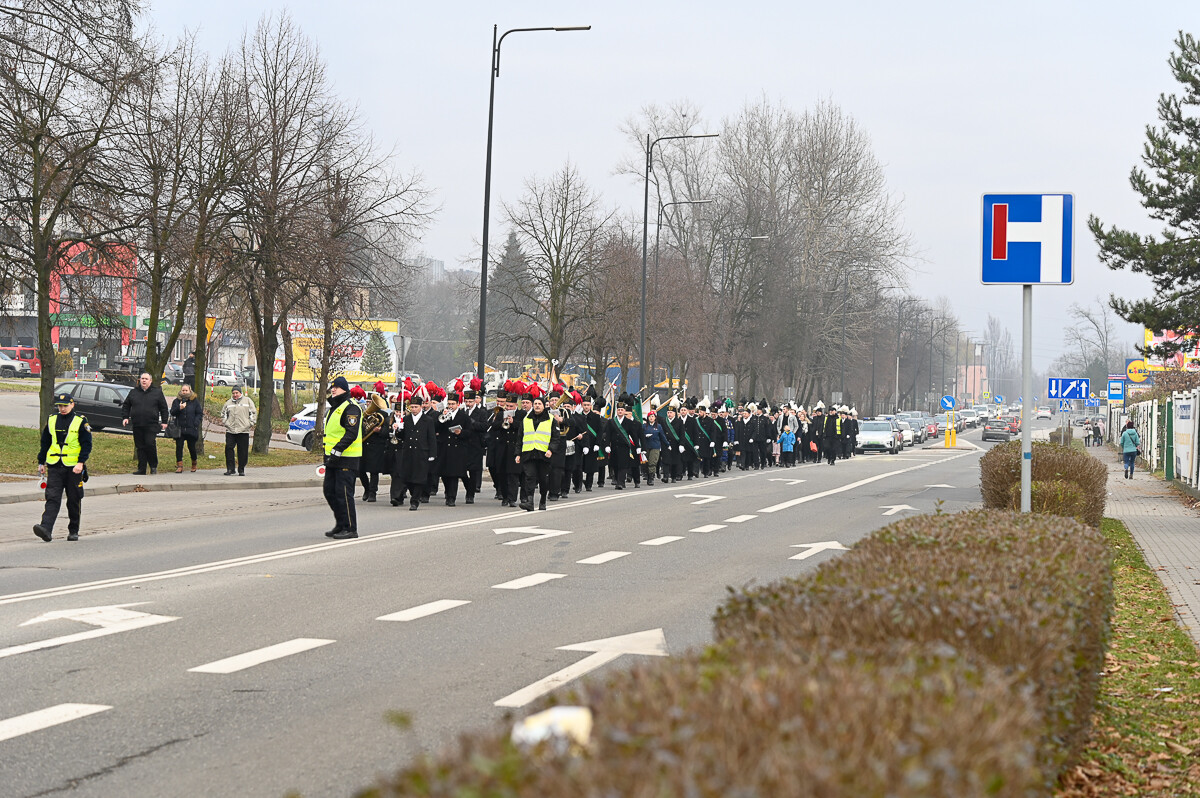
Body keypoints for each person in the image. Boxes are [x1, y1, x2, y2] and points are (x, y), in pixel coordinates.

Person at [33, 392, 92, 542]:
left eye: (65, 405)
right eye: (60, 406)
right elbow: (45, 442)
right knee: (52, 498)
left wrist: (81, 463)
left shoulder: (80, 421)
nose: (62, 408)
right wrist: (41, 462)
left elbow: (86, 444)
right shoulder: (52, 420)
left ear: (72, 405)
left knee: (73, 499)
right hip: (54, 465)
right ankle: (45, 528)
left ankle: (73, 530)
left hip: (73, 468)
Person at [322, 376, 362, 538]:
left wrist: (337, 450)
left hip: (346, 458)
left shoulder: (351, 408)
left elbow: (351, 433)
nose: (333, 390)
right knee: (329, 491)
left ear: (345, 390)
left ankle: (350, 528)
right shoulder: (334, 407)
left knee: (344, 493)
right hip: (333, 458)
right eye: (332, 387)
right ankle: (340, 523)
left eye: (337, 388)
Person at [392, 392, 437, 509]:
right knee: (408, 478)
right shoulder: (406, 419)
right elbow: (402, 437)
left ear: (421, 406)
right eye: (412, 407)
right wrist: (398, 430)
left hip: (422, 452)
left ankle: (415, 501)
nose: (414, 409)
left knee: (419, 478)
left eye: (416, 407)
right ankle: (414, 494)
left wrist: (432, 453)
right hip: (408, 453)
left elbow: (431, 437)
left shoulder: (428, 420)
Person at [121, 372, 168, 475]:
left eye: (146, 379)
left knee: (149, 444)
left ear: (150, 381)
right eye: (142, 378)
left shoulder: (157, 392)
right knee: (140, 446)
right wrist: (125, 417)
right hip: (137, 423)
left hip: (151, 424)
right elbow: (126, 405)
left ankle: (153, 466)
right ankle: (141, 468)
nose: (144, 380)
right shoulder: (134, 392)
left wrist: (164, 421)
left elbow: (163, 408)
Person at [517, 394, 556, 510]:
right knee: (529, 477)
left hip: (543, 454)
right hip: (529, 453)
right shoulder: (526, 419)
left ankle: (543, 499)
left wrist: (551, 449)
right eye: (535, 404)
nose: (537, 406)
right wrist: (518, 453)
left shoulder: (551, 419)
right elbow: (520, 437)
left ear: (544, 406)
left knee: (543, 479)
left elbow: (555, 437)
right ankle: (530, 502)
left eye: (539, 404)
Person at [437, 392, 470, 507]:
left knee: (453, 475)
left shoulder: (464, 416)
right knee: (444, 475)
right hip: (445, 448)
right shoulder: (444, 415)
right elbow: (437, 428)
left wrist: (461, 433)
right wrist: (442, 417)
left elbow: (469, 432)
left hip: (457, 450)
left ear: (458, 404)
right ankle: (447, 493)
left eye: (453, 404)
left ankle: (452, 497)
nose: (450, 406)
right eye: (449, 404)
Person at [221, 387, 257, 476]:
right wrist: (226, 423)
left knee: (242, 451)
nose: (235, 395)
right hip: (231, 430)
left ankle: (241, 469)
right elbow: (223, 414)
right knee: (229, 448)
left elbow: (253, 413)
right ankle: (230, 469)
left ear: (240, 393)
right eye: (233, 393)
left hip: (243, 431)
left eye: (237, 393)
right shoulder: (228, 403)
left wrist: (249, 424)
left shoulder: (247, 401)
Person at [170, 384, 204, 472]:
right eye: (183, 390)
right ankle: (179, 466)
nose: (184, 392)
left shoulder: (194, 401)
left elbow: (199, 413)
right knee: (179, 447)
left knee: (191, 447)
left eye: (186, 390)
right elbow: (172, 412)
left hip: (191, 428)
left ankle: (194, 463)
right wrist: (179, 408)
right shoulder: (177, 401)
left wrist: (195, 423)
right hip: (179, 428)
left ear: (190, 391)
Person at [641, 409, 666, 485]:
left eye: (652, 416)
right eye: (649, 417)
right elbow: (640, 436)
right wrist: (645, 436)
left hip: (655, 446)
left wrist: (667, 444)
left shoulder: (658, 426)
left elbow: (662, 436)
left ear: (655, 417)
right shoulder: (644, 426)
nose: (651, 418)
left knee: (652, 462)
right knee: (646, 463)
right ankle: (647, 475)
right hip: (646, 447)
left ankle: (651, 478)